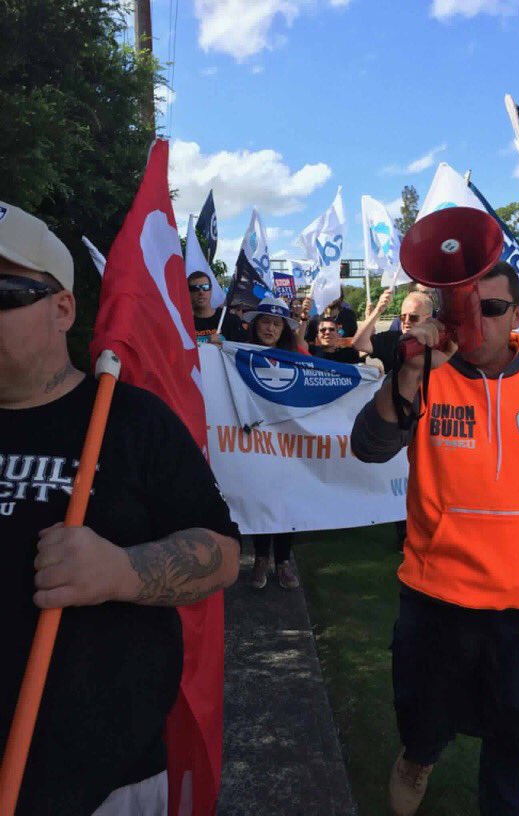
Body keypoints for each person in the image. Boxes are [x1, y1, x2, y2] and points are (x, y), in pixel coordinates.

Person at [0, 202, 241, 816]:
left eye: (4, 293)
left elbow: (221, 555)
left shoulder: (132, 421)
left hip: (106, 781)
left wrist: (121, 571)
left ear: (63, 310)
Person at [351, 260, 519, 816]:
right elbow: (369, 447)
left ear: (518, 314)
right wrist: (409, 372)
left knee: (515, 735)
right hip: (437, 593)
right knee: (423, 714)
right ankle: (417, 760)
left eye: (490, 309)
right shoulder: (427, 373)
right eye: (461, 310)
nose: (475, 323)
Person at [242, 296, 303, 590]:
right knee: (260, 498)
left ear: (283, 329)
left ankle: (283, 561)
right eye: (265, 322)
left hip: (287, 442)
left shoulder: (297, 358)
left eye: (276, 324)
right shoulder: (238, 354)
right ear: (255, 325)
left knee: (286, 500)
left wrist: (365, 373)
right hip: (254, 440)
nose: (270, 328)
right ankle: (260, 558)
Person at [352, 289, 434, 373]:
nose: (406, 321)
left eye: (413, 317)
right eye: (403, 317)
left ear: (428, 319)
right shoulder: (391, 340)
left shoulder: (437, 344)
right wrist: (378, 310)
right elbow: (359, 344)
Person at [188, 270, 246, 345]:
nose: (201, 292)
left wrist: (222, 347)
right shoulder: (182, 325)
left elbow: (242, 349)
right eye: (195, 288)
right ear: (187, 292)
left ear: (211, 290)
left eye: (206, 287)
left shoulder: (230, 320)